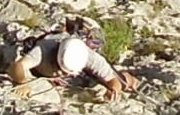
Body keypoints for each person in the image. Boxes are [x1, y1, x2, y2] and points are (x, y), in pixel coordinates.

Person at [8, 17, 139, 100]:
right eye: (62, 70)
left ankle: (133, 79)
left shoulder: (89, 56)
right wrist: (22, 82)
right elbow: (17, 66)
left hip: (80, 72)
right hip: (42, 71)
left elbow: (112, 79)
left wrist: (113, 91)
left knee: (123, 82)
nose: (63, 73)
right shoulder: (43, 50)